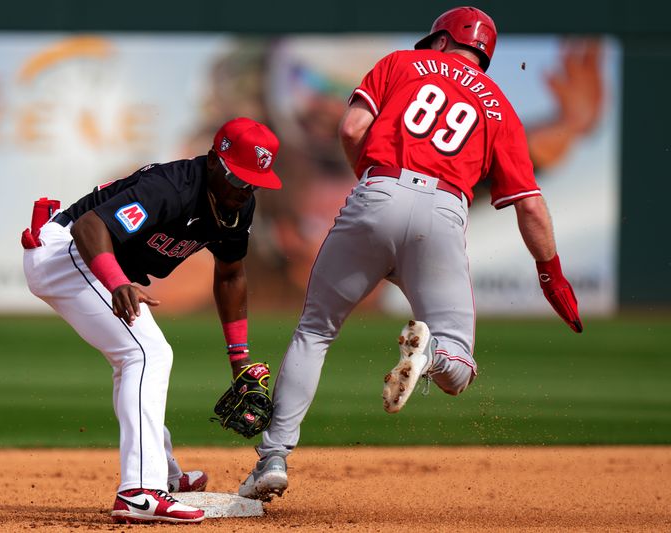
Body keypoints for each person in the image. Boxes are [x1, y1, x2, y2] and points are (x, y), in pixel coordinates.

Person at [238, 6, 583, 501]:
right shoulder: (500, 108)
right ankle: (433, 354)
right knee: (458, 369)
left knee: (316, 330)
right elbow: (529, 203)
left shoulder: (401, 62)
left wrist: (374, 194)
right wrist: (551, 273)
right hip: (443, 215)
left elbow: (353, 130)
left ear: (441, 40)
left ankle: (273, 459)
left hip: (378, 191)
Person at [21, 117, 282, 523]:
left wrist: (239, 359)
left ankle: (166, 475)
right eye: (238, 178)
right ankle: (139, 491)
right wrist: (116, 281)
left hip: (96, 265)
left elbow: (231, 274)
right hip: (65, 254)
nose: (244, 190)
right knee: (147, 354)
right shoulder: (172, 188)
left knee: (136, 358)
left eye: (254, 182)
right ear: (214, 161)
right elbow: (90, 227)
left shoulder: (238, 205)